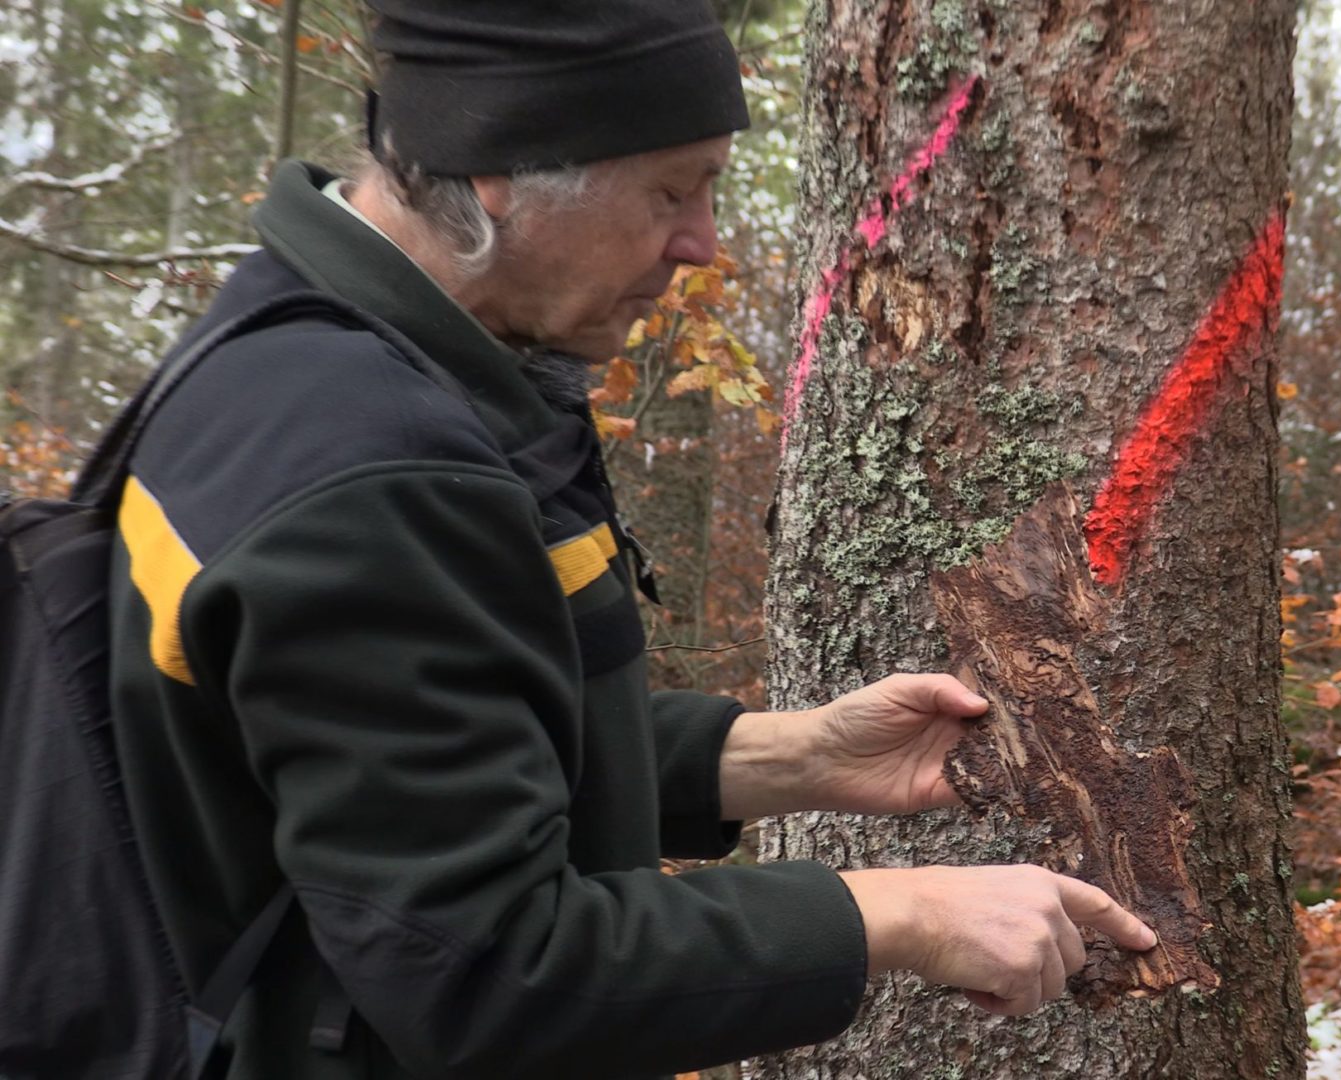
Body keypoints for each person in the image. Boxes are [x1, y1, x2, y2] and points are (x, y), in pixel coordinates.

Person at [107, 1, 1158, 1077]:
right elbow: (491, 971)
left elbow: (409, 753)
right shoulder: (374, 470)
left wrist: (786, 757)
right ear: (495, 169)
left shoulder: (290, 336)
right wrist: (898, 913)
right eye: (670, 188)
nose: (700, 243)